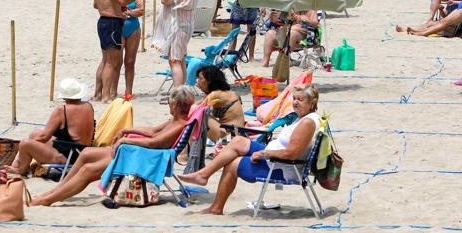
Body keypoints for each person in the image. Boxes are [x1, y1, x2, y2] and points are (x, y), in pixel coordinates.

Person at [30, 86, 195, 206]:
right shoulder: (174, 120)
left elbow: (154, 142)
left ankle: (48, 199)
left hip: (147, 158)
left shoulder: (179, 124)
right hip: (140, 152)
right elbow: (152, 132)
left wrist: (126, 140)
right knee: (86, 153)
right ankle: (58, 189)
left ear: (174, 105)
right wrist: (127, 129)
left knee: (88, 171)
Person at [179, 84, 322, 215]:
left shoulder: (307, 123)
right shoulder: (305, 117)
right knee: (238, 141)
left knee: (233, 163)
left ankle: (216, 208)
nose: (295, 102)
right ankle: (204, 175)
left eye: (301, 99)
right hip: (277, 160)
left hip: (282, 167)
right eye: (294, 98)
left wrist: (264, 153)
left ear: (312, 102)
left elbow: (291, 153)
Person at [93, 0, 155, 103]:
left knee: (107, 60)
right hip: (112, 22)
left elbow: (96, 4)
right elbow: (121, 0)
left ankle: (98, 94)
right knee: (112, 62)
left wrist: (111, 6)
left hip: (105, 21)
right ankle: (107, 96)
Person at [3, 78, 94, 176]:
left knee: (25, 143)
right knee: (35, 133)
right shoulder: (88, 106)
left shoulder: (62, 110)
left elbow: (44, 137)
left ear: (64, 97)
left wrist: (27, 146)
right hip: (82, 151)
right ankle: (16, 165)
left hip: (68, 157)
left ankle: (20, 170)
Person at [152, 0, 199, 87]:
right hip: (186, 25)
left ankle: (178, 92)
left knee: (174, 61)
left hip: (178, 27)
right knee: (181, 58)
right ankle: (182, 89)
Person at [194, 66, 245, 142]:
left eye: (200, 78)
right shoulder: (224, 92)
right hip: (237, 132)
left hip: (231, 136)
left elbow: (195, 108)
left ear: (209, 81)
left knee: (199, 114)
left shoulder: (216, 94)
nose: (197, 81)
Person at [396, 0, 462, 37]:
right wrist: (455, 2)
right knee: (434, 22)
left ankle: (422, 33)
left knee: (443, 22)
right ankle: (411, 30)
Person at [119, 0, 143, 96]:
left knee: (130, 60)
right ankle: (113, 90)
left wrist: (129, 12)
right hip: (119, 27)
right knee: (117, 61)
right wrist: (131, 12)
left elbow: (141, 10)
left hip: (133, 27)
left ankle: (128, 91)